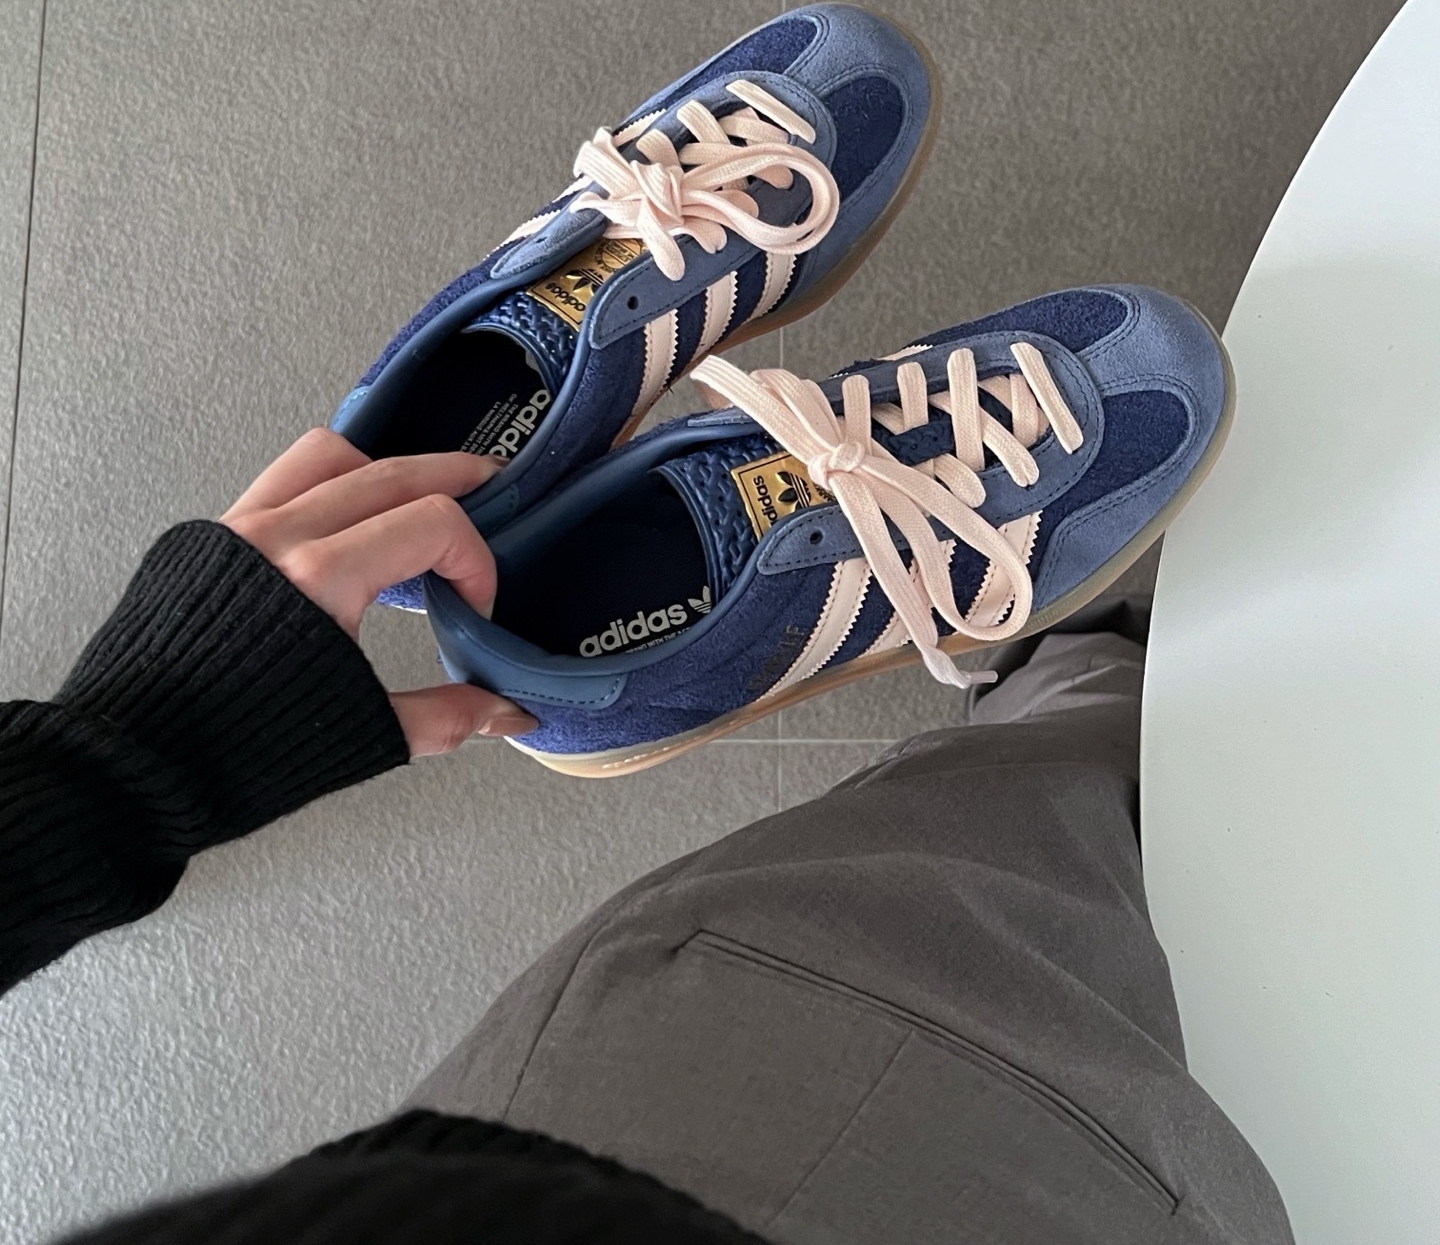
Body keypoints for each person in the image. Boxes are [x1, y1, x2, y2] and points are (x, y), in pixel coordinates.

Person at [0, 429, 1294, 1244]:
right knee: (1001, 849)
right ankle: (1081, 680)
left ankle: (1080, 688)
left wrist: (106, 774)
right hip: (745, 1162)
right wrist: (110, 768)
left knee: (1026, 845)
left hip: (560, 1167)